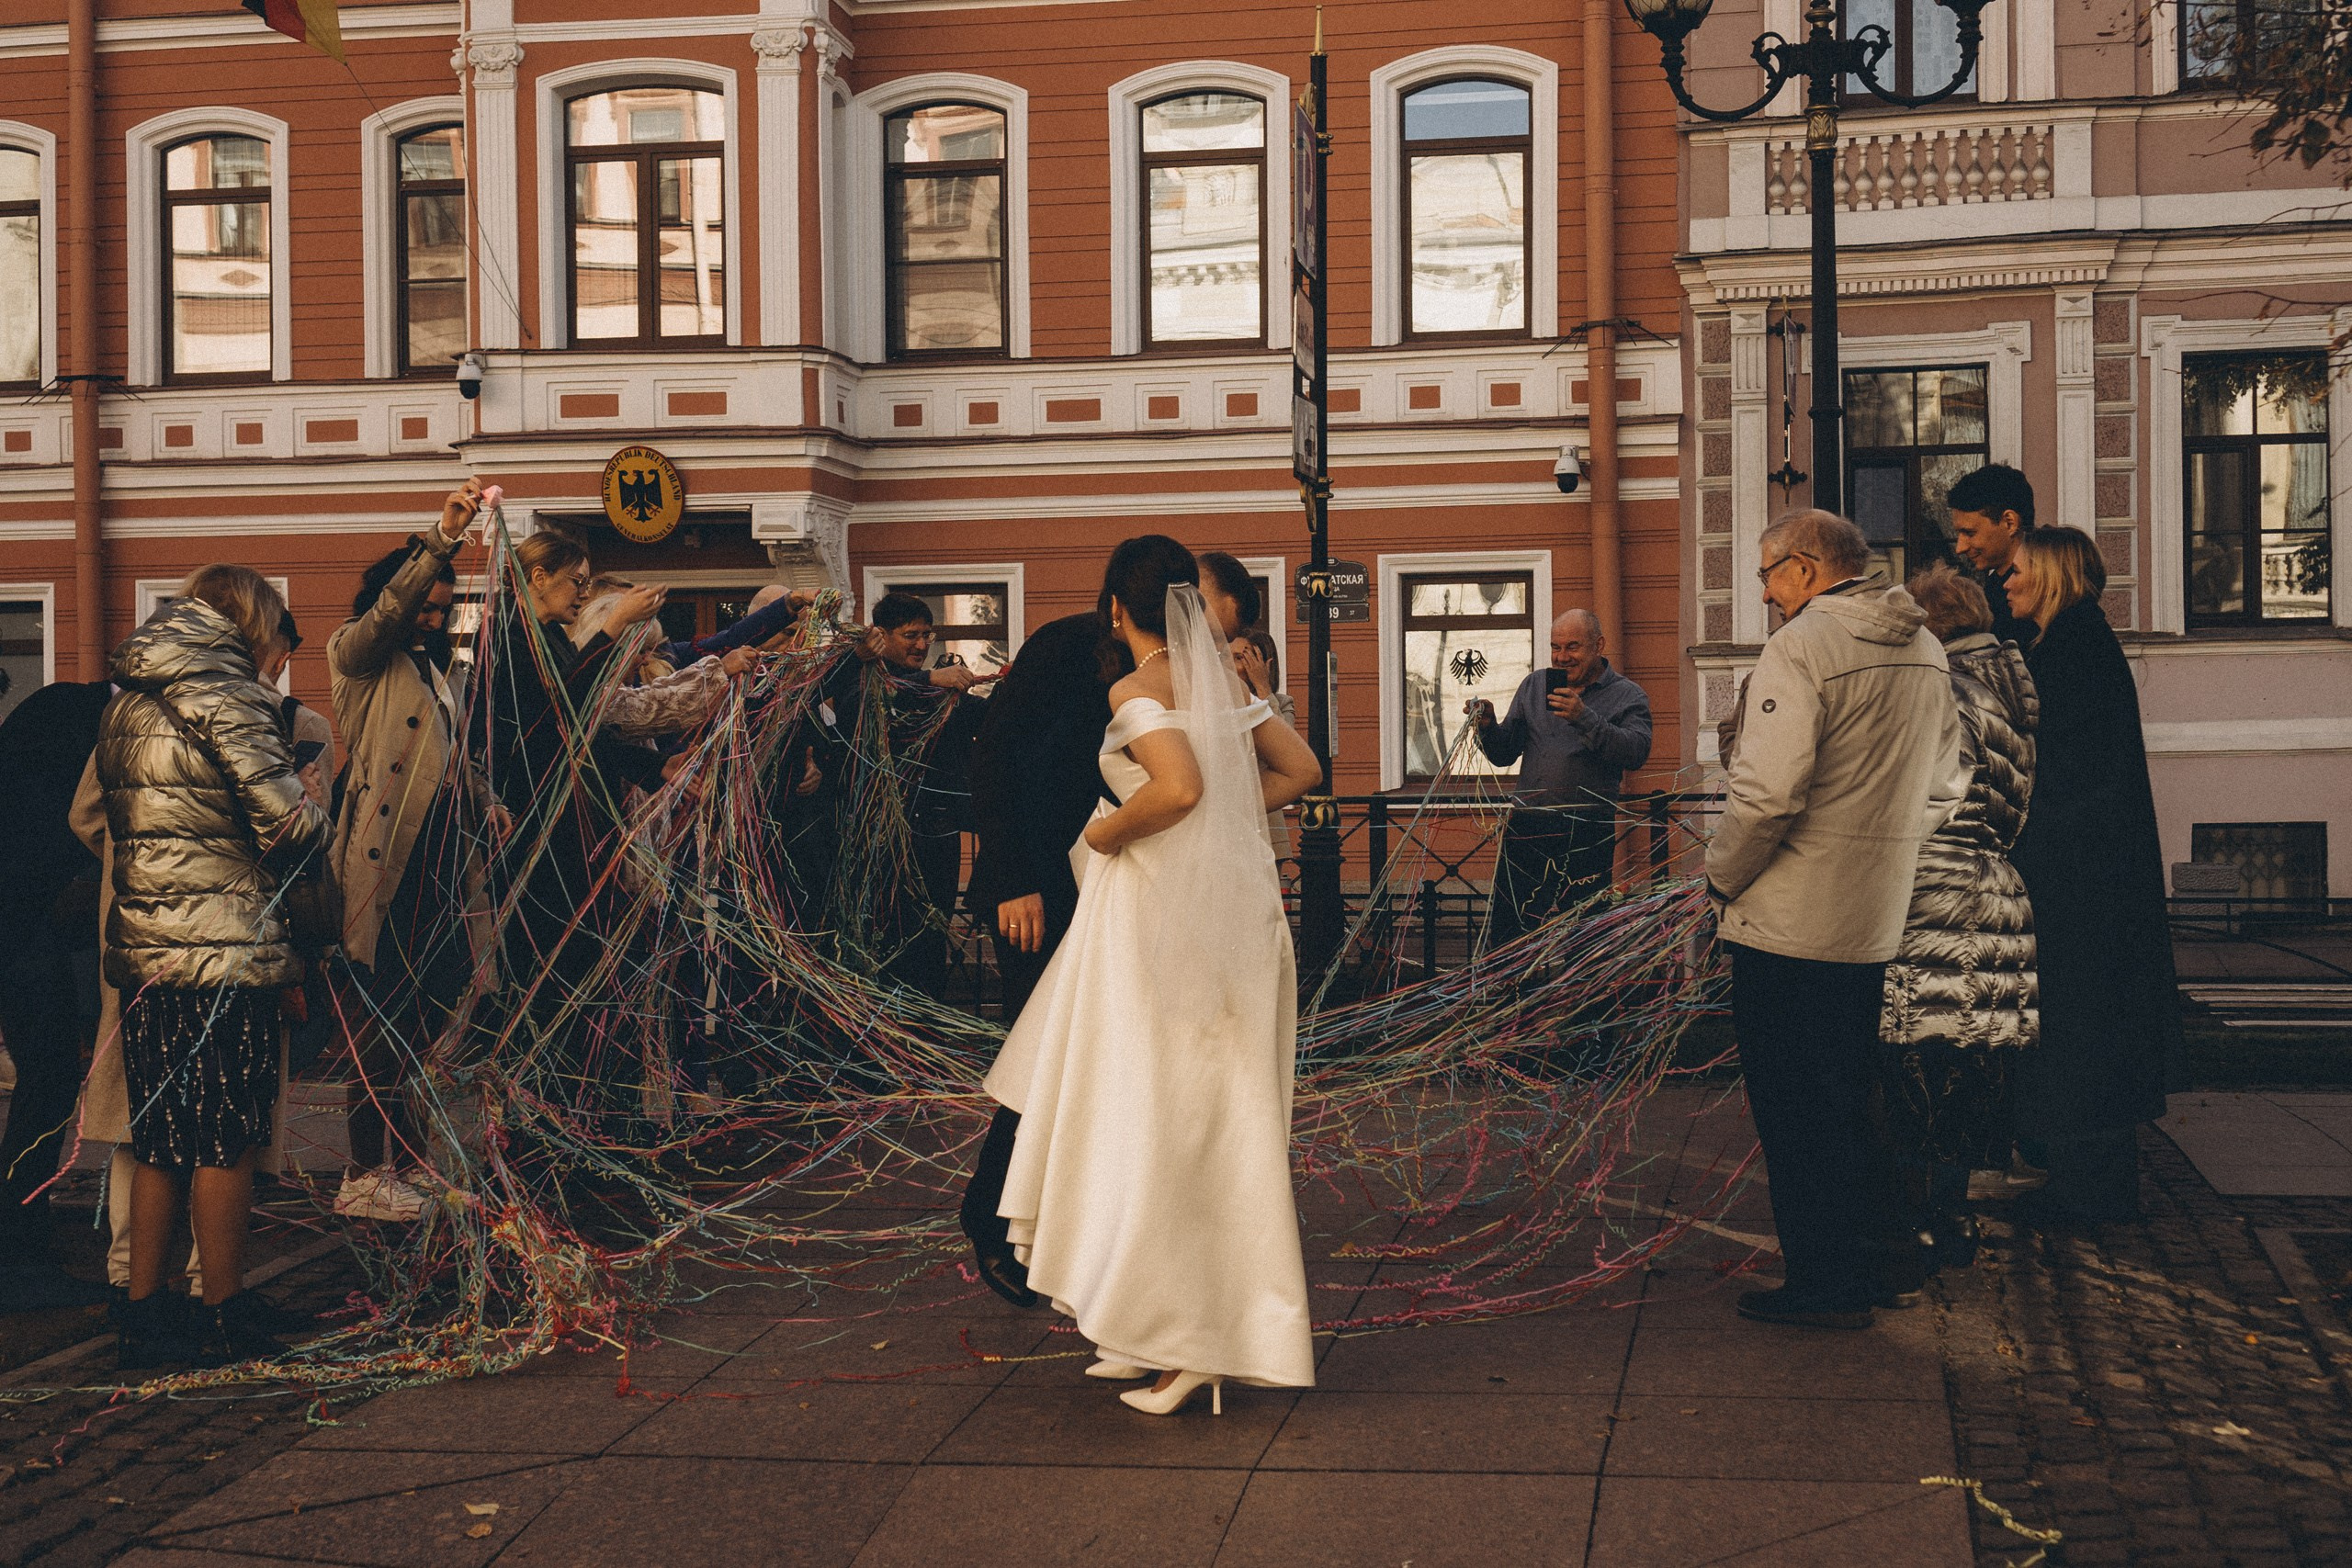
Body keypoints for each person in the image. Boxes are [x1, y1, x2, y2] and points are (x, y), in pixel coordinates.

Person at [985, 536, 1324, 1415]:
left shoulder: (1136, 689)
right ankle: (1153, 1327)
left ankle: (1188, 1341)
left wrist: (1104, 832)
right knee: (1203, 1119)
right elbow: (1302, 770)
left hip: (1159, 919)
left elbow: (1176, 789)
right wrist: (1223, 814)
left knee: (1157, 1118)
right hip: (1232, 917)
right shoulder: (1222, 685)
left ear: (1115, 608)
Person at [1706, 509, 1964, 1329]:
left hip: (1787, 921)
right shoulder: (1926, 649)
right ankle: (1884, 1261)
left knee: (1796, 1111)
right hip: (1872, 917)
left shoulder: (1801, 647)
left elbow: (1767, 796)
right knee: (1855, 1097)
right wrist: (1882, 852)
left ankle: (1824, 1282)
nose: (1765, 594)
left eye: (1768, 574)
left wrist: (1720, 878)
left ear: (1807, 567)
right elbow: (1947, 787)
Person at [96, 565, 333, 1367]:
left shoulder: (130, 699)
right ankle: (224, 1306)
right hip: (226, 948)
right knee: (225, 1136)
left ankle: (145, 1313)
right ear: (253, 625)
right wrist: (313, 797)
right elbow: (287, 827)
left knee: (159, 1135)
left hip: (148, 953)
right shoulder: (230, 695)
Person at [328, 483, 503, 1224]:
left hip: (440, 868)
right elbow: (386, 617)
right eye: (422, 607)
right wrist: (443, 538)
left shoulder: (437, 673)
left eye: (442, 610)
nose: (431, 620)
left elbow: (451, 754)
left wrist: (486, 799)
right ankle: (364, 1172)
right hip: (384, 868)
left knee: (421, 1023)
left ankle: (404, 1164)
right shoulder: (359, 657)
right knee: (381, 1020)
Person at [2002, 527, 2182, 1225]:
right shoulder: (2072, 644)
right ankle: (2084, 1181)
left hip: (2079, 878)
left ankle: (2089, 1193)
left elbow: (2058, 770)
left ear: (2051, 575)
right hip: (2085, 871)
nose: (2007, 581)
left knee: (2084, 1027)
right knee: (2084, 1025)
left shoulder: (2072, 651)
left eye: (2018, 570)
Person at [481, 530, 673, 1151]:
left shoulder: (551, 641)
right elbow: (563, 710)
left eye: (589, 585)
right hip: (536, 840)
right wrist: (613, 624)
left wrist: (656, 769)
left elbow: (586, 732)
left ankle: (583, 1128)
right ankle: (537, 1136)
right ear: (538, 578)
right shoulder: (510, 641)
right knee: (546, 987)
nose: (583, 594)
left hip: (575, 836)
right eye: (576, 582)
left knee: (585, 982)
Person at [1877, 562, 2040, 1275]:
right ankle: (1949, 1216)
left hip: (1931, 892)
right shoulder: (2006, 695)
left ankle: (1915, 1223)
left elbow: (1922, 795)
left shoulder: (1944, 690)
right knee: (1966, 1070)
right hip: (1993, 892)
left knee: (1915, 1066)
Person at [957, 607, 1116, 1307]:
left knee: (1088, 1061)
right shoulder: (1066, 644)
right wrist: (1014, 877)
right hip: (1035, 889)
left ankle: (1057, 1224)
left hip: (1105, 888)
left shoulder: (1161, 662)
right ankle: (993, 1217)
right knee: (1044, 1056)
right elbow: (997, 757)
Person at [0, 674, 119, 1312]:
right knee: (49, 1075)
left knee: (48, 1075)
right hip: (21, 922)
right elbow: (63, 825)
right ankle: (18, 1249)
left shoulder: (63, 708)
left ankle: (22, 1232)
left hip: (25, 919)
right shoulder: (77, 717)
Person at [1468, 610, 1654, 945]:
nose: (1562, 657)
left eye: (1572, 647)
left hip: (1587, 828)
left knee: (1584, 933)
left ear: (1599, 645)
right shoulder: (1534, 685)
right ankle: (1510, 981)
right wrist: (1488, 727)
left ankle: (1576, 981)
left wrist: (1584, 717)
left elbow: (1636, 752)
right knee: (1510, 930)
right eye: (1556, 647)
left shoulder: (1628, 695)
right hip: (1528, 826)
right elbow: (1504, 753)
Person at [1946, 463, 2036, 645]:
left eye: (1969, 533)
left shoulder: (2039, 596)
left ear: (2010, 523)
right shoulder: (1995, 588)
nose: (1959, 548)